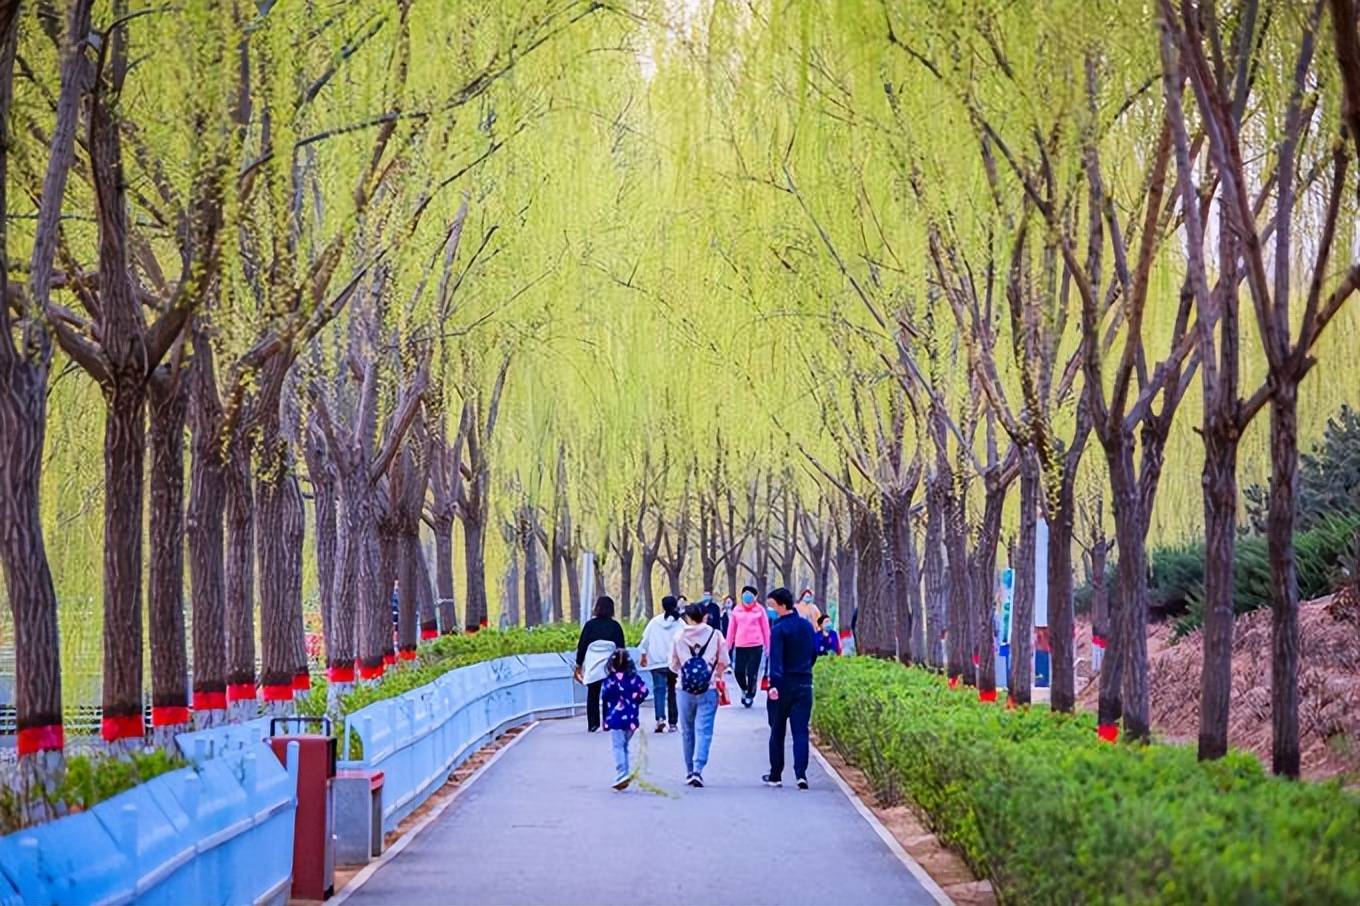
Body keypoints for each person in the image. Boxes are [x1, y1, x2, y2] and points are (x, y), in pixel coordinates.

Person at [763, 587, 819, 790]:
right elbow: (814, 652)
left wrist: (773, 685)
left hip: (782, 685)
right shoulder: (806, 626)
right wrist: (804, 669)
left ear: (782, 605)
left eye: (772, 606)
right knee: (800, 731)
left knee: (777, 730)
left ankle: (775, 774)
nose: (770, 609)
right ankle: (801, 774)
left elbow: (776, 660)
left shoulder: (778, 629)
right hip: (804, 683)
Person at [670, 602, 729, 787]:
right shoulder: (715, 635)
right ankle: (698, 769)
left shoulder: (679, 636)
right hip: (708, 688)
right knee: (704, 730)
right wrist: (715, 674)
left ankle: (689, 771)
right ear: (705, 616)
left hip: (684, 689)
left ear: (687, 617)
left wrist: (686, 672)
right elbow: (724, 661)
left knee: (687, 731)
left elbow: (672, 664)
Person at [575, 596, 626, 732]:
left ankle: (593, 724)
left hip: (592, 667)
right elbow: (621, 648)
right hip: (610, 668)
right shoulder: (615, 626)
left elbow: (582, 646)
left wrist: (579, 664)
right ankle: (608, 721)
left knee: (593, 693)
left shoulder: (590, 626)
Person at [601, 647, 650, 790]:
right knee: (624, 745)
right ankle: (625, 773)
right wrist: (635, 701)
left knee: (618, 746)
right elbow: (644, 691)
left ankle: (622, 772)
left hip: (615, 718)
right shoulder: (634, 679)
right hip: (631, 718)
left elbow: (604, 696)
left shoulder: (610, 681)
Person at [639, 595, 684, 732]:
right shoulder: (680, 623)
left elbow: (645, 640)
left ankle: (660, 718)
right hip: (674, 663)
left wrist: (643, 655)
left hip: (657, 662)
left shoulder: (654, 622)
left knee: (659, 690)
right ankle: (673, 723)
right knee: (673, 691)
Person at [725, 585, 771, 708]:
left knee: (752, 672)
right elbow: (731, 630)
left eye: (750, 594)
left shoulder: (760, 610)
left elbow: (766, 629)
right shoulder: (737, 610)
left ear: (755, 597)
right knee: (738, 671)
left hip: (756, 645)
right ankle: (744, 689)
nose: (747, 596)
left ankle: (750, 694)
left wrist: (768, 647)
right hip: (740, 645)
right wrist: (727, 647)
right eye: (745, 593)